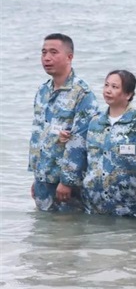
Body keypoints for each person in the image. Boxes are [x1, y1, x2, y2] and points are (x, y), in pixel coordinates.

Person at [28, 33, 97, 212]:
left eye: (53, 52)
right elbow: (39, 134)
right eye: (44, 52)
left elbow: (81, 140)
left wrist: (68, 181)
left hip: (65, 185)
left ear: (69, 57)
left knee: (68, 228)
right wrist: (37, 177)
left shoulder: (82, 93)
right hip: (44, 179)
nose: (46, 58)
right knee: (43, 228)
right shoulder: (43, 91)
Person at [81, 70, 136, 218]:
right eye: (106, 85)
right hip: (94, 205)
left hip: (127, 206)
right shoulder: (95, 122)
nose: (108, 90)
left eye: (114, 87)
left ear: (128, 94)